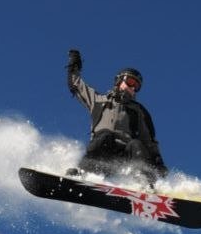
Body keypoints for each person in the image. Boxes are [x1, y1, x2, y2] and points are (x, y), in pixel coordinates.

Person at [66, 48, 168, 182]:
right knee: (105, 135)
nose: (132, 88)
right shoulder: (99, 100)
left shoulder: (138, 111)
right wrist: (74, 67)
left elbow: (149, 142)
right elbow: (76, 86)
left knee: (136, 144)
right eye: (130, 82)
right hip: (101, 154)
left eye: (136, 86)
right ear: (119, 81)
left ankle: (144, 182)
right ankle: (83, 172)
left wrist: (158, 163)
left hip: (124, 158)